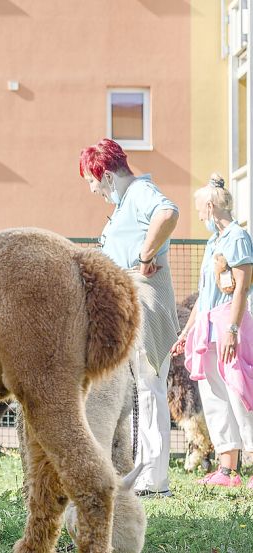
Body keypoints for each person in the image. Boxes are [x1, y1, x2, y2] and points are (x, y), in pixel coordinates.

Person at [79, 138, 179, 497]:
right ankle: (147, 475)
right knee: (143, 391)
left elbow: (168, 213)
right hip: (132, 304)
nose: (94, 191)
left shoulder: (139, 191)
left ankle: (155, 481)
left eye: (91, 183)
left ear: (103, 174)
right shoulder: (126, 201)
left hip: (146, 303)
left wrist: (145, 252)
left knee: (150, 390)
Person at [171, 174, 253, 488]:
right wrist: (185, 333)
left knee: (240, 392)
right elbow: (205, 294)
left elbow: (241, 289)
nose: (199, 214)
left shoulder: (237, 237)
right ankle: (227, 470)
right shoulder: (213, 242)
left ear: (209, 205)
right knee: (215, 396)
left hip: (229, 324)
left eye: (199, 209)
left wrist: (232, 330)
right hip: (206, 325)